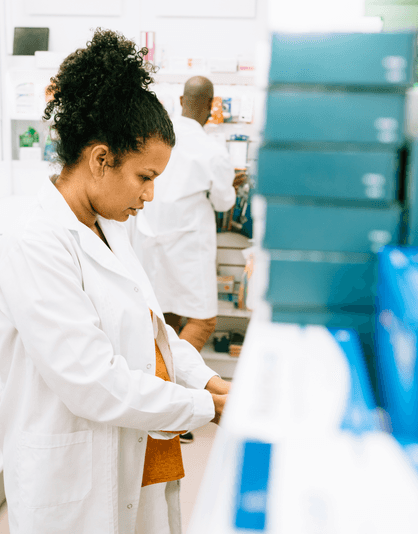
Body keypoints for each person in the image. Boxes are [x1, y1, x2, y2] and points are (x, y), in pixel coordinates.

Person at [0, 30, 230, 534]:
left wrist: (205, 379)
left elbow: (153, 327)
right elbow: (93, 382)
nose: (152, 193)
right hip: (71, 485)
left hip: (133, 462)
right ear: (101, 159)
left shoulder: (110, 229)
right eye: (145, 176)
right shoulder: (36, 244)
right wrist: (203, 405)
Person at [131, 76, 243, 443]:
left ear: (180, 99)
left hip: (149, 242)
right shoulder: (213, 150)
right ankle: (176, 399)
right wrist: (232, 184)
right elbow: (225, 203)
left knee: (164, 320)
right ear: (212, 107)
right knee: (204, 320)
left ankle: (167, 403)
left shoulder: (155, 137)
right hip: (189, 247)